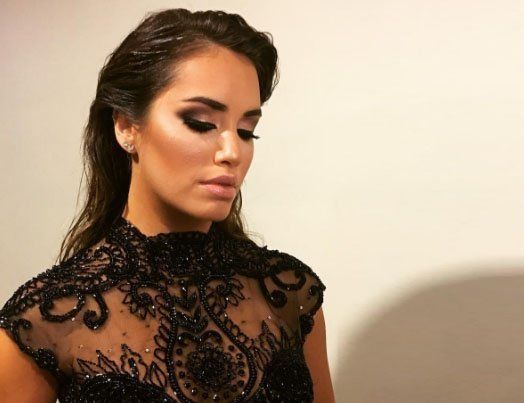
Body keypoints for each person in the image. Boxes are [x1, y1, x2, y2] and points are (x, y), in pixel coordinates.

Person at [0, 8, 334, 403]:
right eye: (200, 123)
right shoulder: (45, 321)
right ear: (126, 127)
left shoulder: (289, 294)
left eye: (247, 131)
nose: (232, 152)